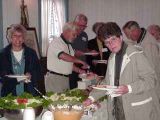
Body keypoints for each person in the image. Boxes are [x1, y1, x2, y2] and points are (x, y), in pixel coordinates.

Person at [83, 22, 160, 120]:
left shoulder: (136, 54)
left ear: (121, 37)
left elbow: (151, 79)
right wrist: (91, 98)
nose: (110, 44)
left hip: (136, 109)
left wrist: (129, 88)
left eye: (113, 39)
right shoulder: (112, 57)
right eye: (107, 42)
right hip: (118, 108)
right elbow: (107, 82)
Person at [0, 24, 43, 96]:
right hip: (9, 95)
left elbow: (39, 73)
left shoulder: (31, 53)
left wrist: (31, 74)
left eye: (20, 36)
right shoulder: (3, 54)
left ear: (23, 38)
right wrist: (18, 79)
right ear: (10, 37)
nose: (18, 38)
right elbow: (2, 77)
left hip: (29, 94)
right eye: (15, 36)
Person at [45, 22, 87, 93]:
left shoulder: (69, 45)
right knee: (56, 103)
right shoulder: (57, 42)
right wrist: (80, 61)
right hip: (55, 78)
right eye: (74, 34)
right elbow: (63, 56)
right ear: (67, 31)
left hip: (65, 78)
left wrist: (79, 70)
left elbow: (69, 64)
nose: (75, 37)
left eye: (76, 35)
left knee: (63, 102)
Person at [123, 21, 160, 97]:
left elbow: (151, 68)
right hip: (147, 82)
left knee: (154, 106)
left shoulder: (149, 44)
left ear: (136, 30)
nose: (128, 37)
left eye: (129, 34)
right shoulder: (139, 40)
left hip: (152, 84)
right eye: (127, 34)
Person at [69, 14, 89, 89]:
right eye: (80, 25)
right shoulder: (69, 33)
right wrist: (74, 52)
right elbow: (64, 49)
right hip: (72, 66)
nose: (82, 28)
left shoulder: (85, 35)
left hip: (82, 65)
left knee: (82, 88)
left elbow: (85, 49)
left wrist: (90, 51)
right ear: (75, 23)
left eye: (84, 26)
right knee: (73, 89)